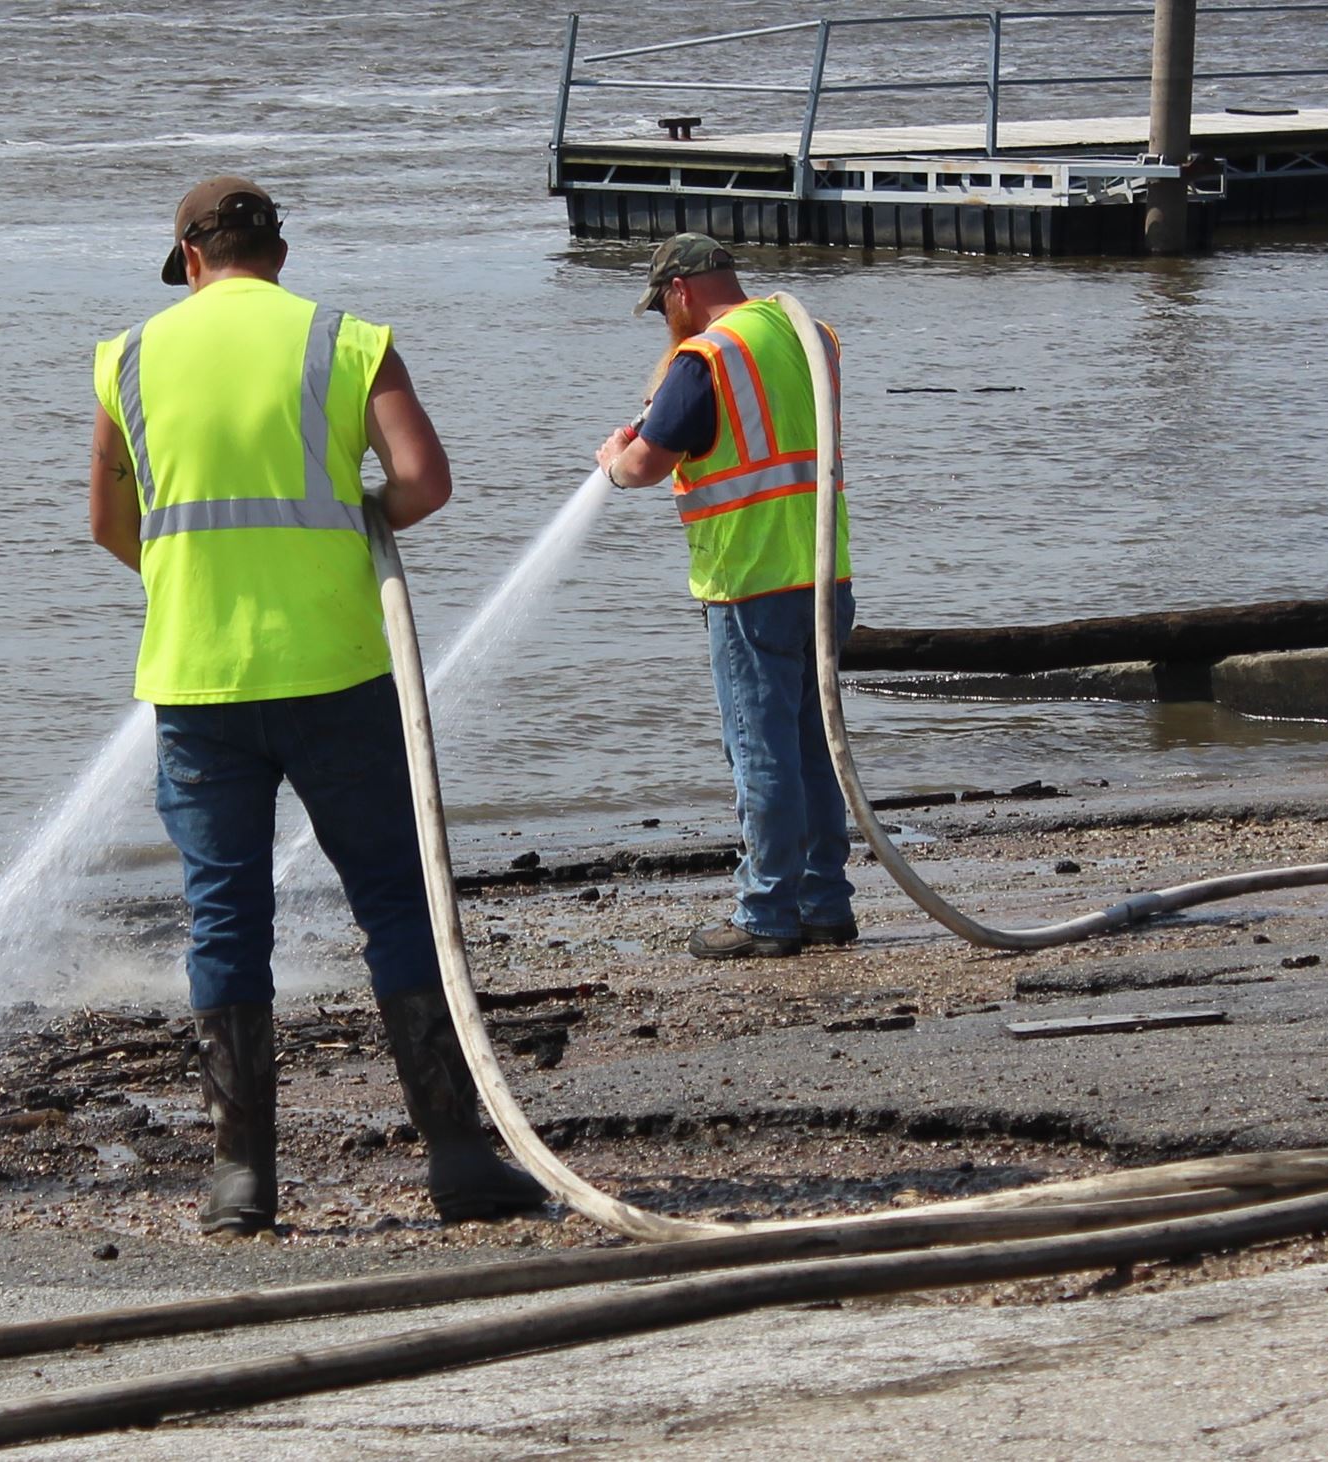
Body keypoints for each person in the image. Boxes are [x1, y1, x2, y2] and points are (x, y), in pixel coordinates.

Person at [88, 176, 550, 1235]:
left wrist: (197, 582)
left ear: (189, 260)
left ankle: (241, 1179)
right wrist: (348, 527)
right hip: (338, 670)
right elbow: (423, 481)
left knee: (224, 916)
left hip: (197, 680)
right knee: (394, 902)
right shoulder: (347, 342)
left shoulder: (128, 358)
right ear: (279, 255)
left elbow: (112, 525)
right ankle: (457, 1156)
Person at [594, 233, 859, 961]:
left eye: (663, 309)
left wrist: (614, 464)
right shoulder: (806, 335)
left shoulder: (707, 356)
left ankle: (766, 912)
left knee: (760, 752)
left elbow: (646, 465)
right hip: (826, 575)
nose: (666, 322)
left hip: (750, 584)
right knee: (815, 748)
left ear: (680, 291)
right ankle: (825, 903)